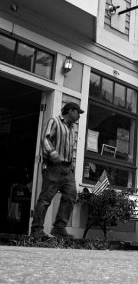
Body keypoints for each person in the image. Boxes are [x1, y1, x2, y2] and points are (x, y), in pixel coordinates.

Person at [30, 102, 84, 239]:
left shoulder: (72, 128)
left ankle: (59, 228)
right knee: (46, 198)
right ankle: (36, 230)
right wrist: (51, 152)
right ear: (71, 111)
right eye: (78, 112)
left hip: (67, 169)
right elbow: (45, 138)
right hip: (54, 167)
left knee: (71, 196)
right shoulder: (54, 121)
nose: (79, 116)